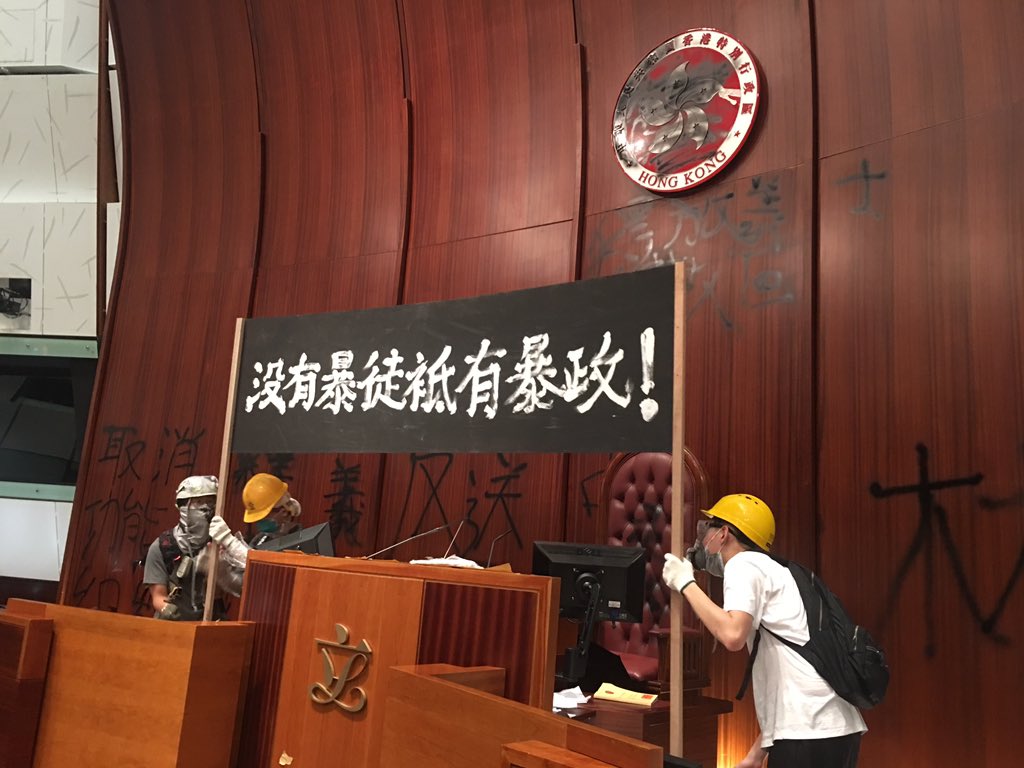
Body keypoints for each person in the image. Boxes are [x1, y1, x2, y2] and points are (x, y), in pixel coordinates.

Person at [662, 493, 866, 768]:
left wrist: (686, 583)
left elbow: (733, 635)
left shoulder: (743, 565)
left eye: (709, 526)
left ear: (724, 533)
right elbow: (795, 676)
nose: (704, 537)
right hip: (833, 728)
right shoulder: (778, 571)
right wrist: (756, 755)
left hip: (809, 733)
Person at [143, 474, 249, 620]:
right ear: (183, 506)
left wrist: (224, 573)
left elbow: (248, 585)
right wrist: (168, 610)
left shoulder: (221, 543)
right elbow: (158, 596)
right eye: (199, 502)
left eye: (210, 502)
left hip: (210, 622)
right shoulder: (163, 546)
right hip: (174, 623)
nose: (206, 507)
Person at [242, 472, 302, 548]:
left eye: (263, 516)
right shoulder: (260, 539)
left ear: (284, 512)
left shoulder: (300, 541)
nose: (260, 522)